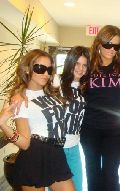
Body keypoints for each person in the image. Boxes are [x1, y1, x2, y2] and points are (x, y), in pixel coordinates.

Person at [0, 49, 75, 191]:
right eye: (40, 68)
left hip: (56, 154)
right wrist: (2, 124)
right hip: (34, 156)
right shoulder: (21, 100)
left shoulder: (51, 93)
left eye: (49, 69)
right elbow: (25, 143)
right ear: (27, 69)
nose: (46, 74)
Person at [80, 25, 120, 191]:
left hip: (115, 131)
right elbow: (68, 84)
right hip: (90, 129)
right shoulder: (87, 68)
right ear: (99, 43)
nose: (111, 49)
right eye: (108, 44)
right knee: (92, 172)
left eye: (115, 46)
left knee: (111, 173)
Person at [60, 46, 90, 191]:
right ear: (70, 63)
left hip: (74, 146)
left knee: (77, 187)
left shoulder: (84, 88)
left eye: (84, 65)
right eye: (77, 63)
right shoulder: (55, 82)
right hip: (56, 148)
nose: (80, 68)